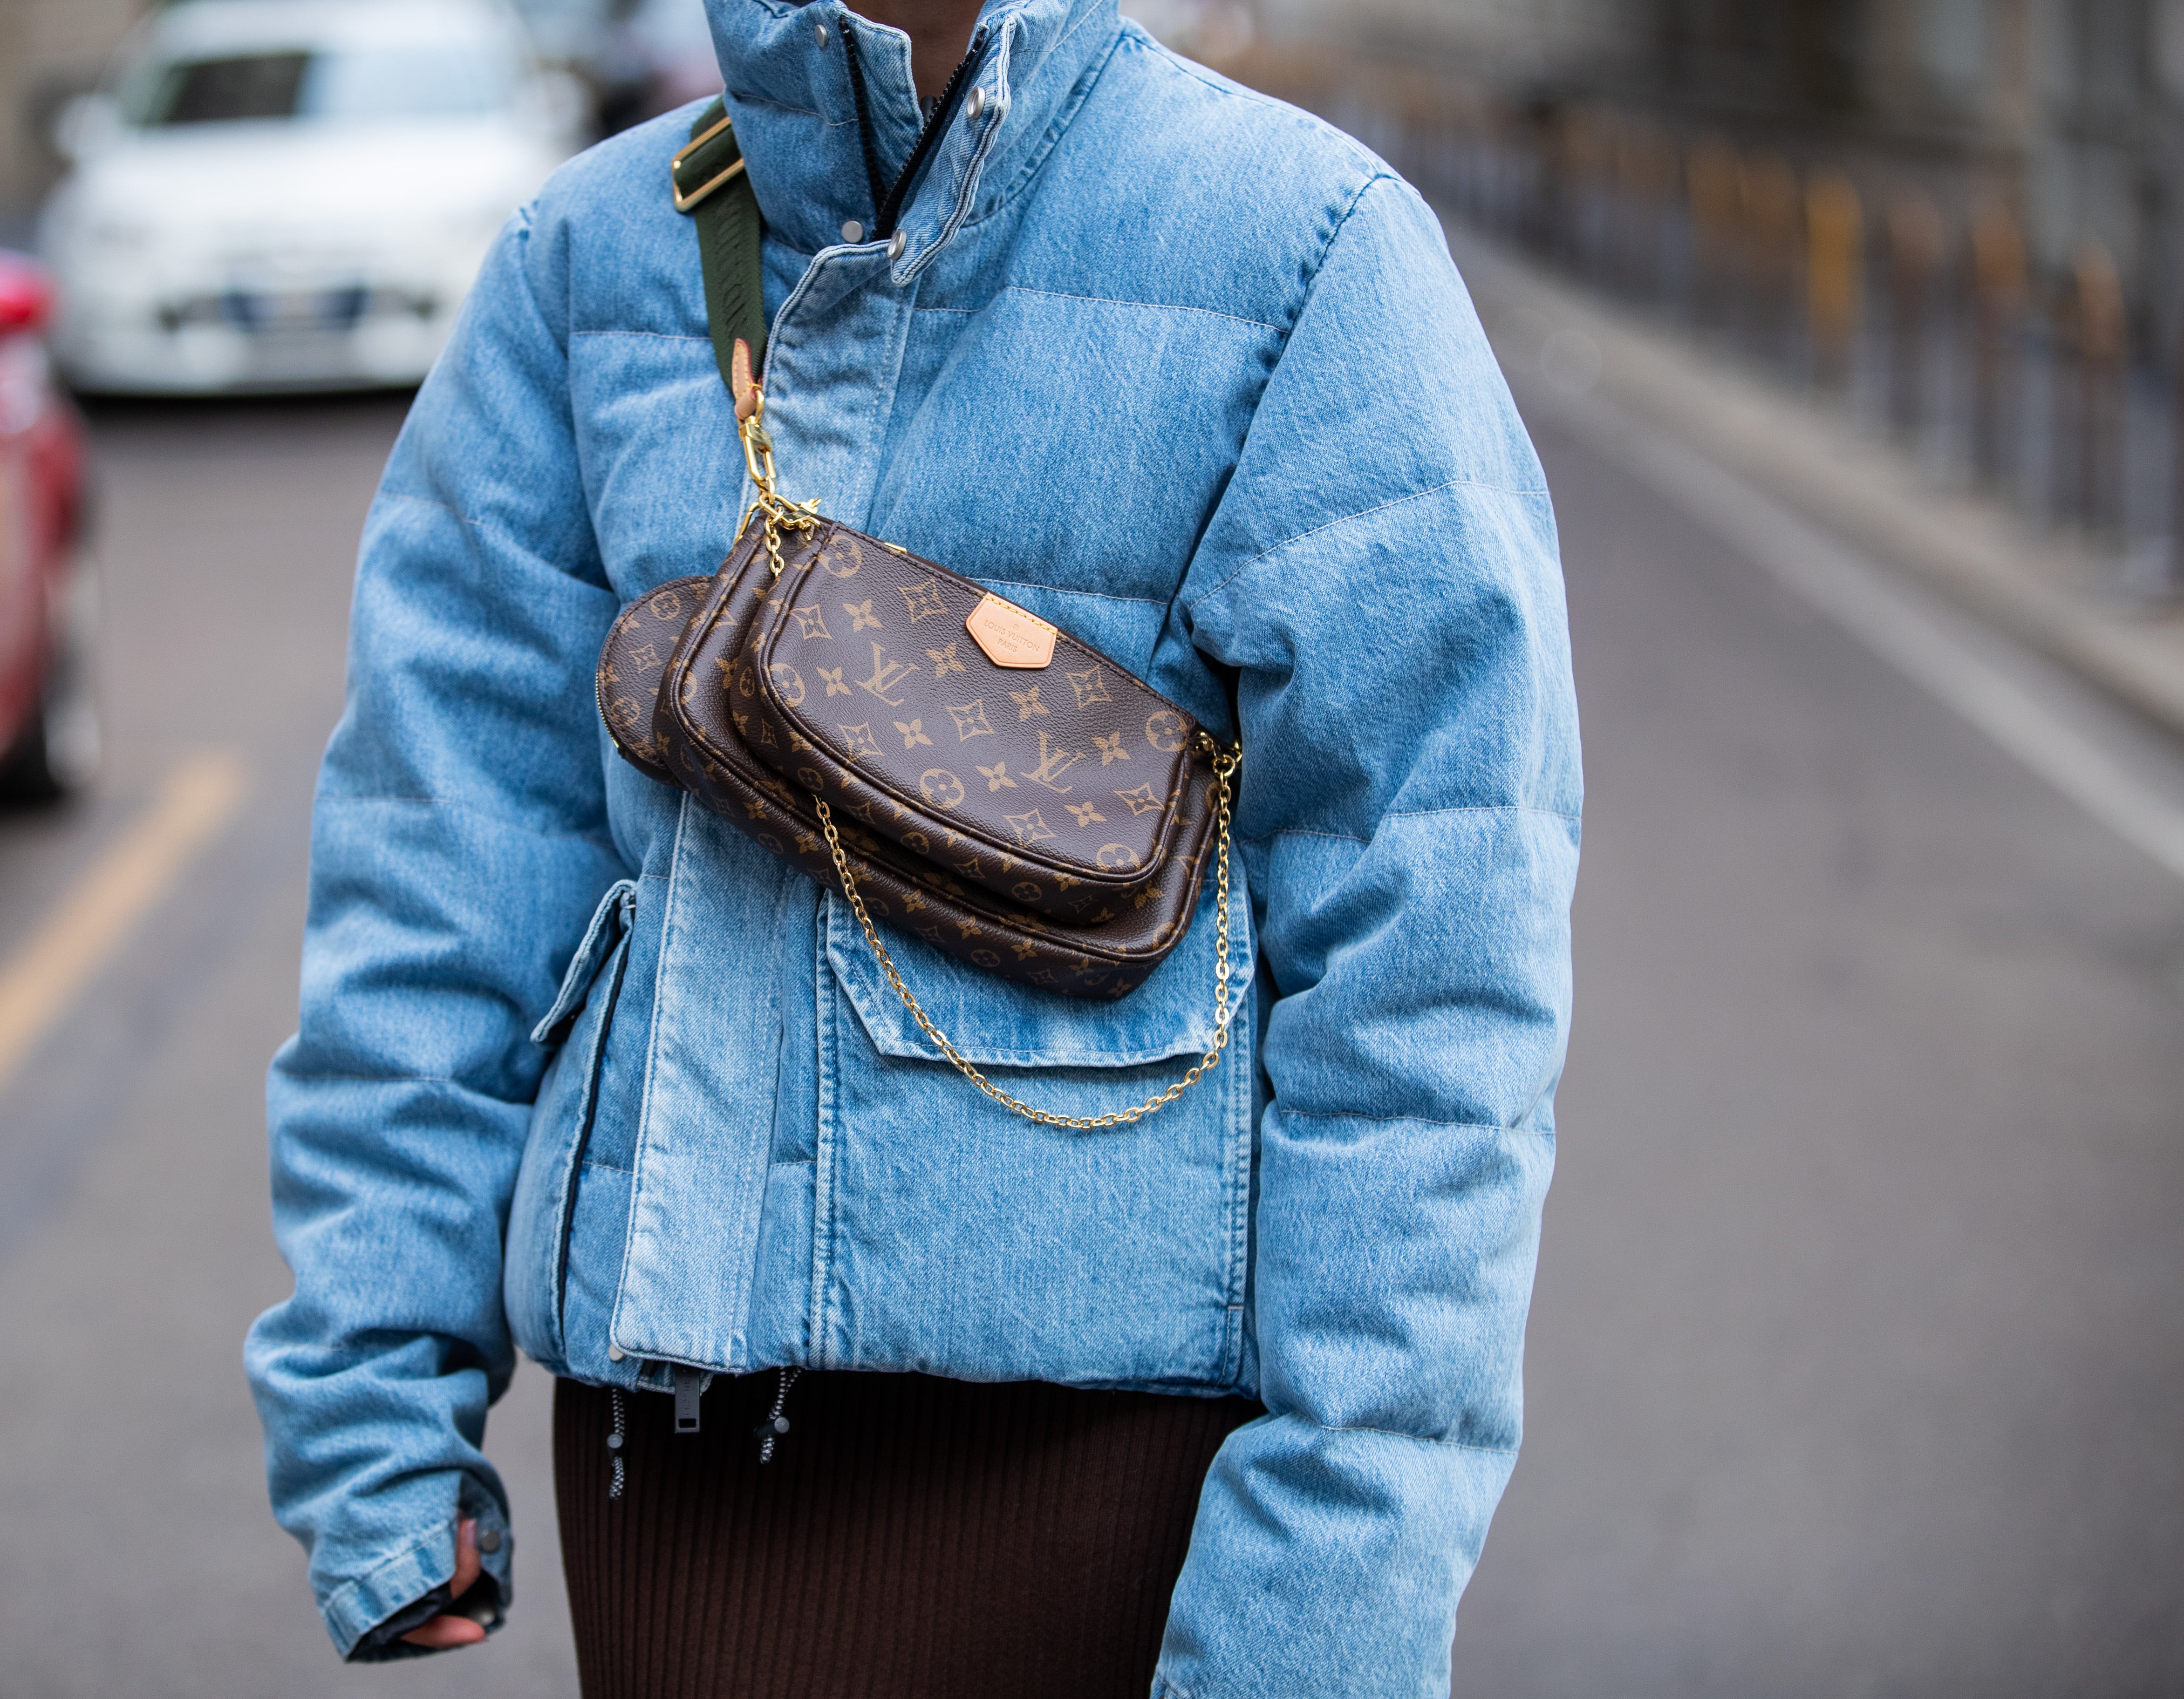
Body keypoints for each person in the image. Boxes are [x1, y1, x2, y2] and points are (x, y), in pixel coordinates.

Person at [243, 0, 1580, 1686]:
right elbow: (440, 864)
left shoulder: (1312, 256)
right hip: (683, 1464)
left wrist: (1335, 1587)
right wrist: (375, 1400)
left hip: (1127, 1470)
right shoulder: (585, 267)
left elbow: (1436, 989)